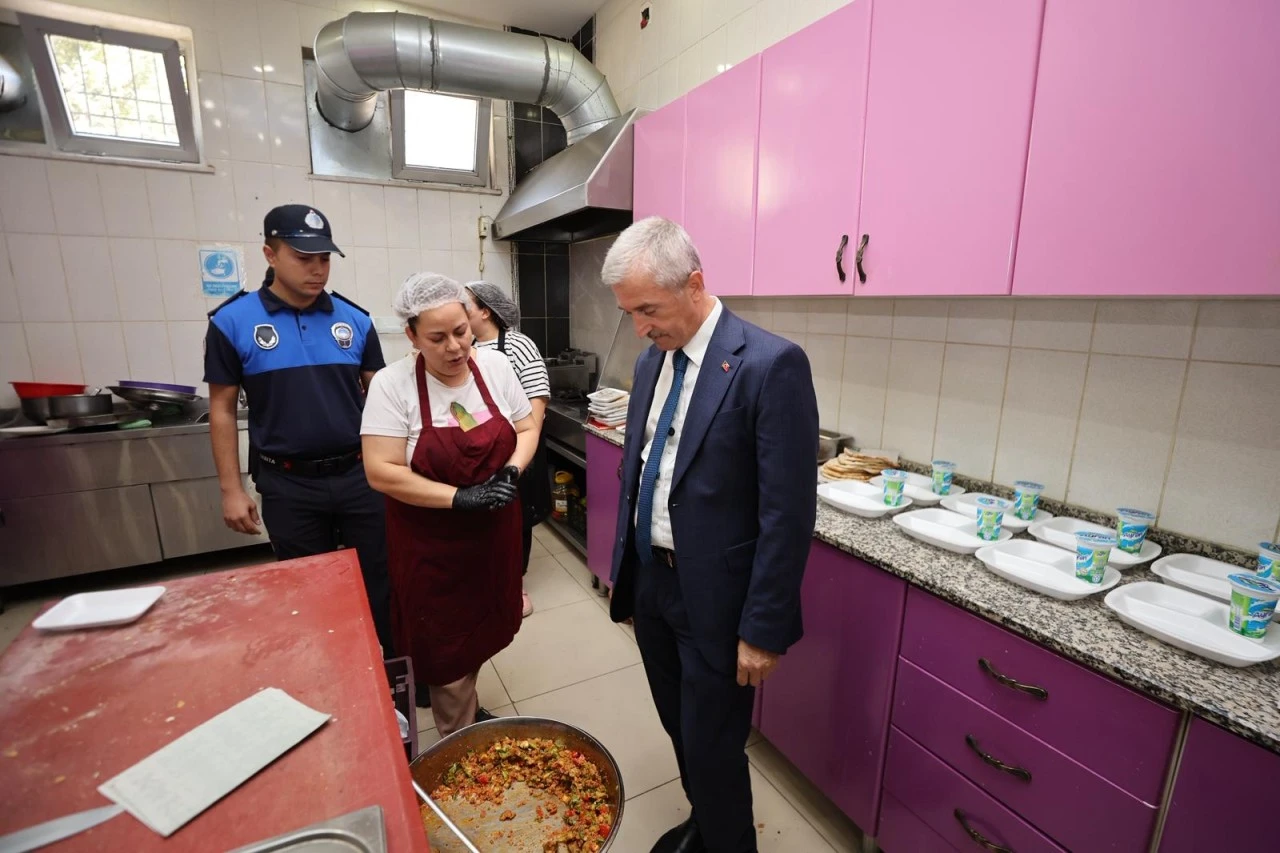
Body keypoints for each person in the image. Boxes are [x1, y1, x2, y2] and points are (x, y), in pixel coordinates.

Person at [603, 217, 818, 853]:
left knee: (713, 742)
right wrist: (630, 577)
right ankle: (707, 822)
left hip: (719, 601)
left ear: (694, 284)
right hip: (654, 583)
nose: (639, 327)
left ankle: (729, 842)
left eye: (648, 309)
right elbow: (643, 469)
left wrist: (763, 628)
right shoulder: (652, 360)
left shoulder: (770, 365)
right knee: (678, 724)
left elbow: (787, 513)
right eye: (629, 313)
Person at [205, 204, 393, 655]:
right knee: (310, 589)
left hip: (360, 477)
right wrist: (231, 490)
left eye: (324, 258)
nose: (317, 269)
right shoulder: (231, 322)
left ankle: (389, 671)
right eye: (304, 258)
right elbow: (222, 410)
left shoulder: (355, 320)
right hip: (289, 484)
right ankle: (333, 672)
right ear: (270, 254)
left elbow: (385, 399)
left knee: (382, 580)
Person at [361, 273, 539, 736]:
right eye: (437, 338)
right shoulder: (392, 385)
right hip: (432, 547)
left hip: (493, 537)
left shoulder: (495, 368)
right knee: (445, 650)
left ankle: (465, 713)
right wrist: (459, 498)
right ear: (412, 336)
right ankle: (458, 741)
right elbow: (381, 470)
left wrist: (513, 470)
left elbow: (526, 428)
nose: (455, 347)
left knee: (482, 632)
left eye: (461, 331)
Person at [464, 280, 551, 617]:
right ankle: (490, 579)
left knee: (518, 517)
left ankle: (517, 584)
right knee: (488, 516)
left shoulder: (518, 344)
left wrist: (522, 451)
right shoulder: (468, 346)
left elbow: (537, 398)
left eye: (467, 305)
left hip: (517, 447)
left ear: (485, 311)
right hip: (481, 448)